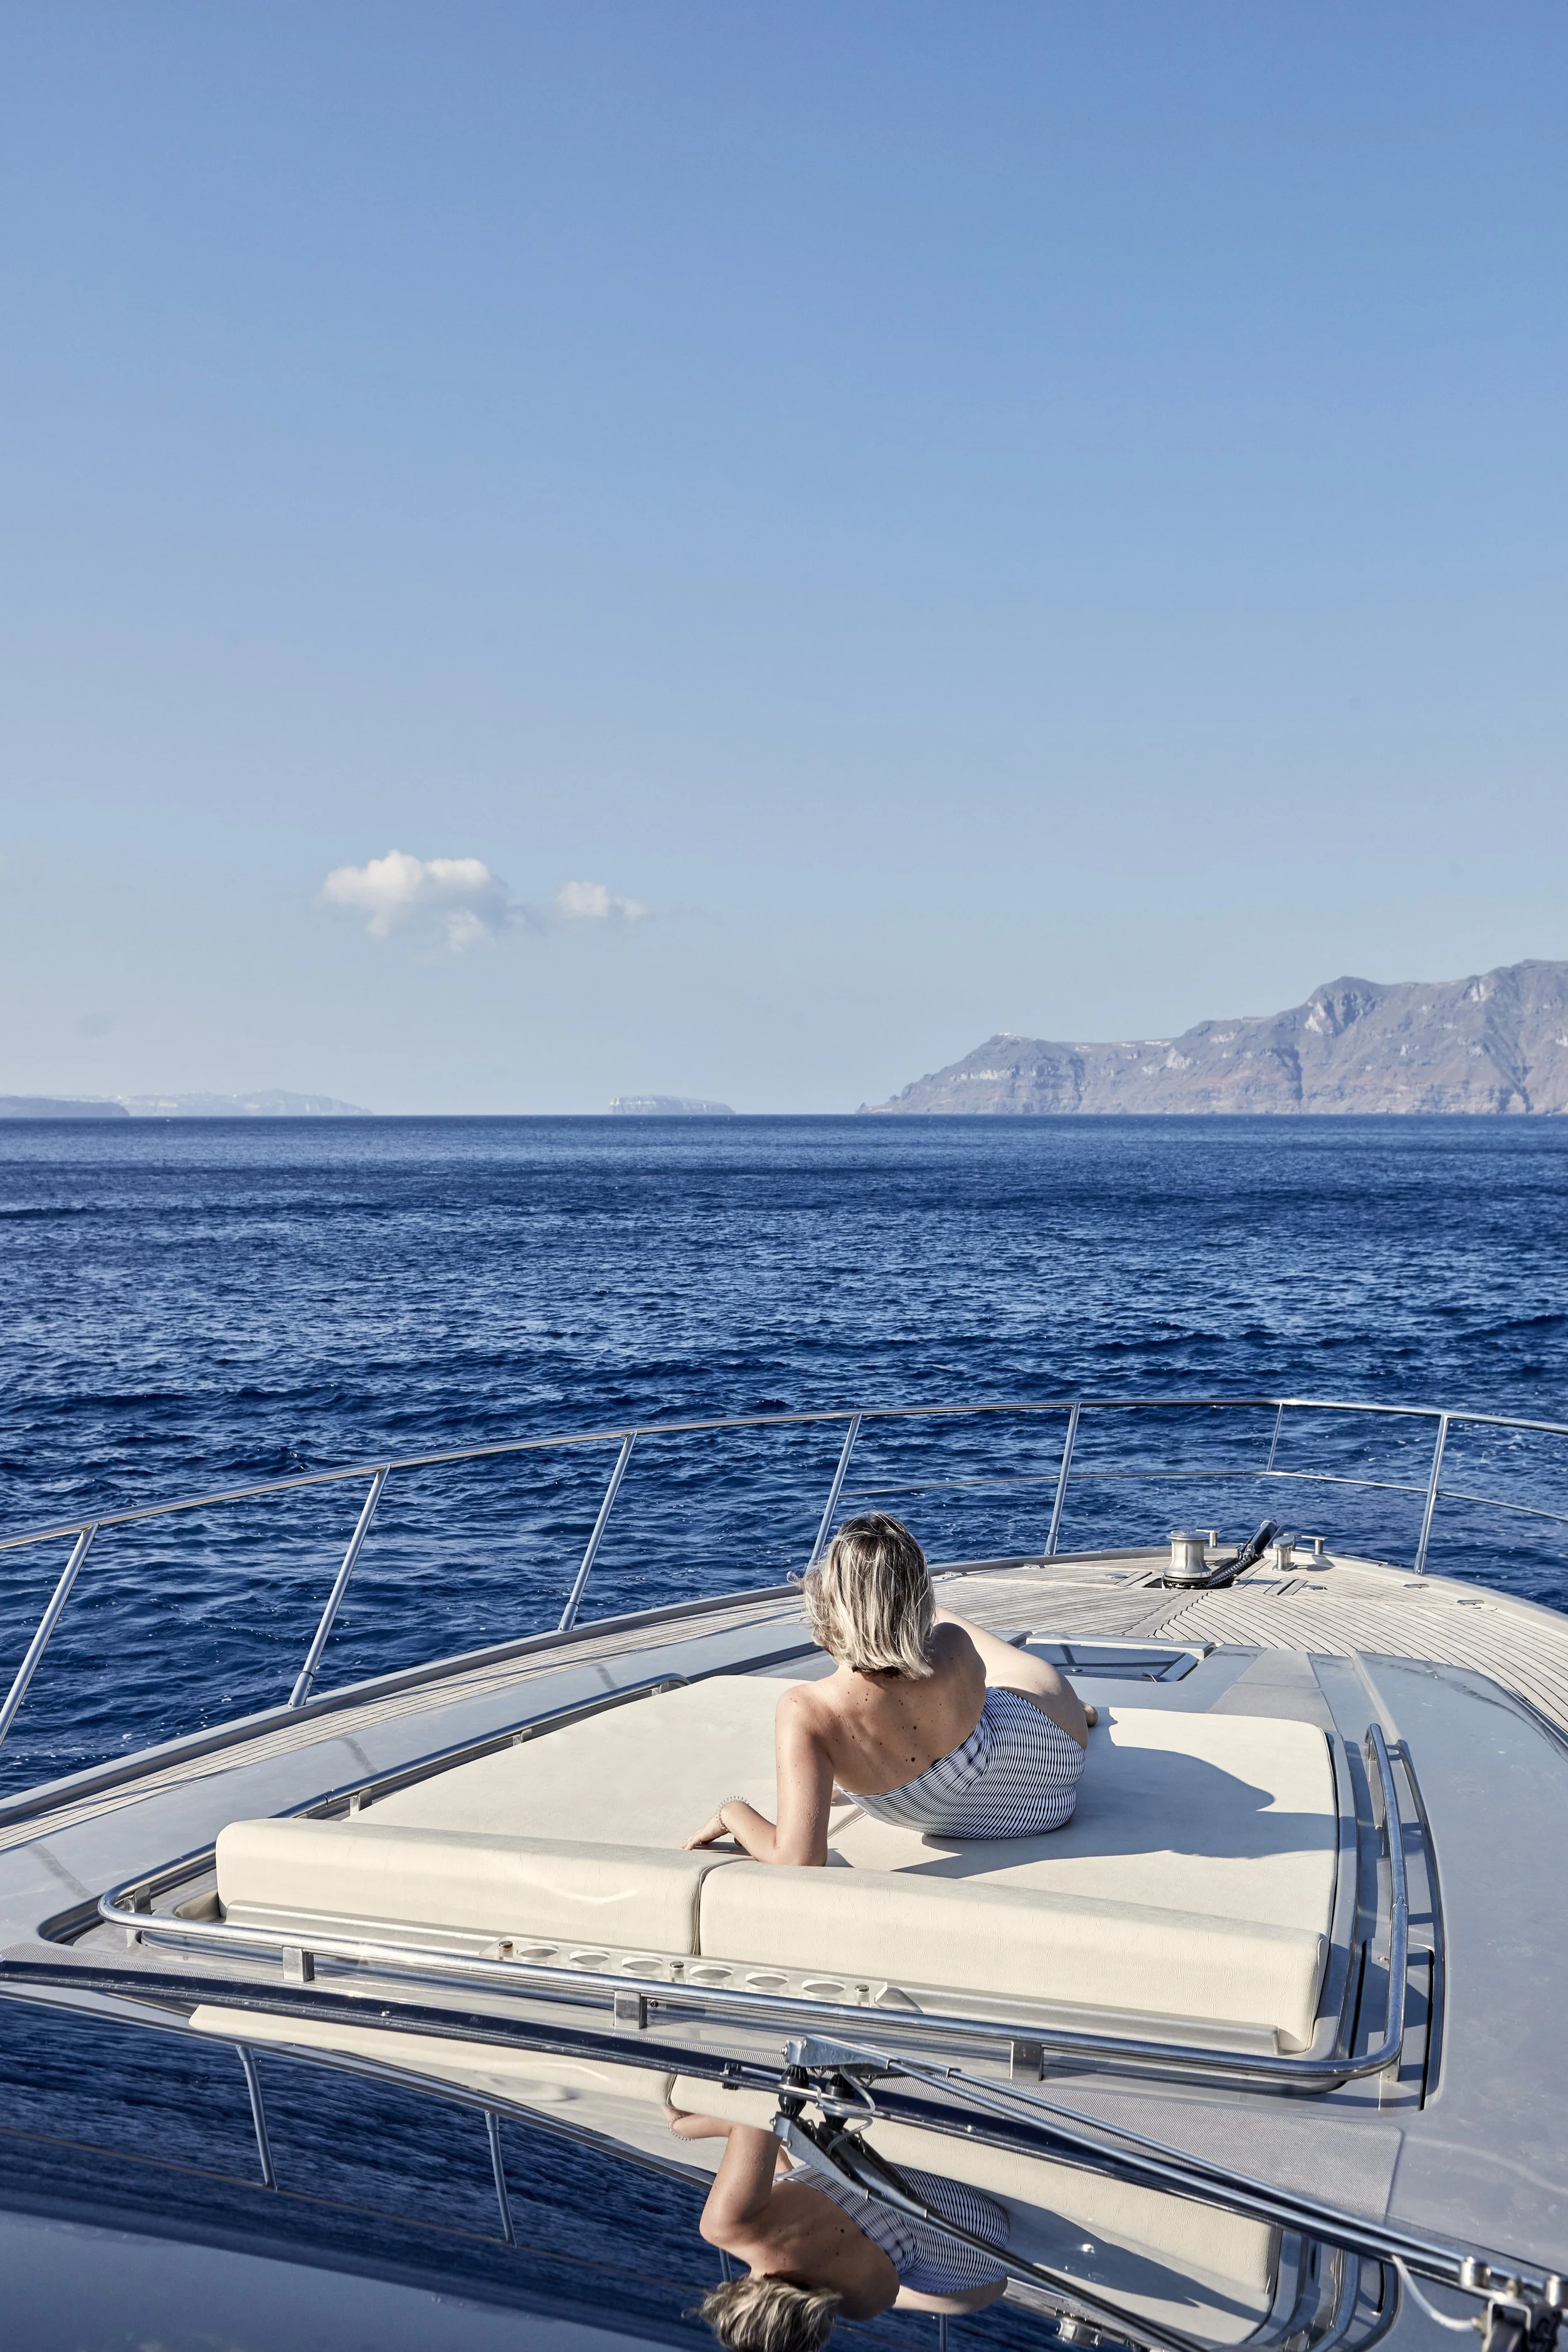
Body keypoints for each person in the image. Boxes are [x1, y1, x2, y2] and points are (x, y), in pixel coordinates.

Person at [683, 1512, 1095, 1865]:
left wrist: (732, 1812)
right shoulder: (951, 1646)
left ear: (830, 1600)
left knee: (988, 1673)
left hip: (995, 1792)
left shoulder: (809, 1714)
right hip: (1048, 1788)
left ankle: (869, 1617)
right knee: (991, 1660)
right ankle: (895, 1609)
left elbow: (798, 1858)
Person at [675, 2108, 1009, 2352]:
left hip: (984, 2238)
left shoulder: (860, 2304)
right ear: (735, 2300)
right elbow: (756, 2113)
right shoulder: (730, 2229)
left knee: (958, 2291)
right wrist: (683, 2126)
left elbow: (813, 2236)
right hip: (928, 2173)